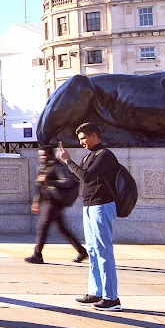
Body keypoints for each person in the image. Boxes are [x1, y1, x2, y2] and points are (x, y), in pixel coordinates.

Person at [56, 123, 121, 310]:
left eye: (84, 138)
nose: (81, 142)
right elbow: (80, 176)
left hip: (102, 206)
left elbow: (87, 176)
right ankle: (96, 292)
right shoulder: (89, 156)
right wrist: (67, 163)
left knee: (103, 251)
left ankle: (112, 298)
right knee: (92, 250)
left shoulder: (105, 155)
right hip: (89, 206)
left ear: (94, 136)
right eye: (80, 139)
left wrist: (68, 161)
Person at [25, 146, 88, 264]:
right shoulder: (43, 167)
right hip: (49, 200)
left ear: (49, 155)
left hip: (55, 201)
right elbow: (40, 186)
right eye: (40, 155)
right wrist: (36, 201)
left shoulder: (57, 166)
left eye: (43, 155)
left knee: (42, 227)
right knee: (62, 228)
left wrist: (49, 181)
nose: (41, 157)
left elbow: (67, 181)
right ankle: (81, 251)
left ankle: (37, 254)